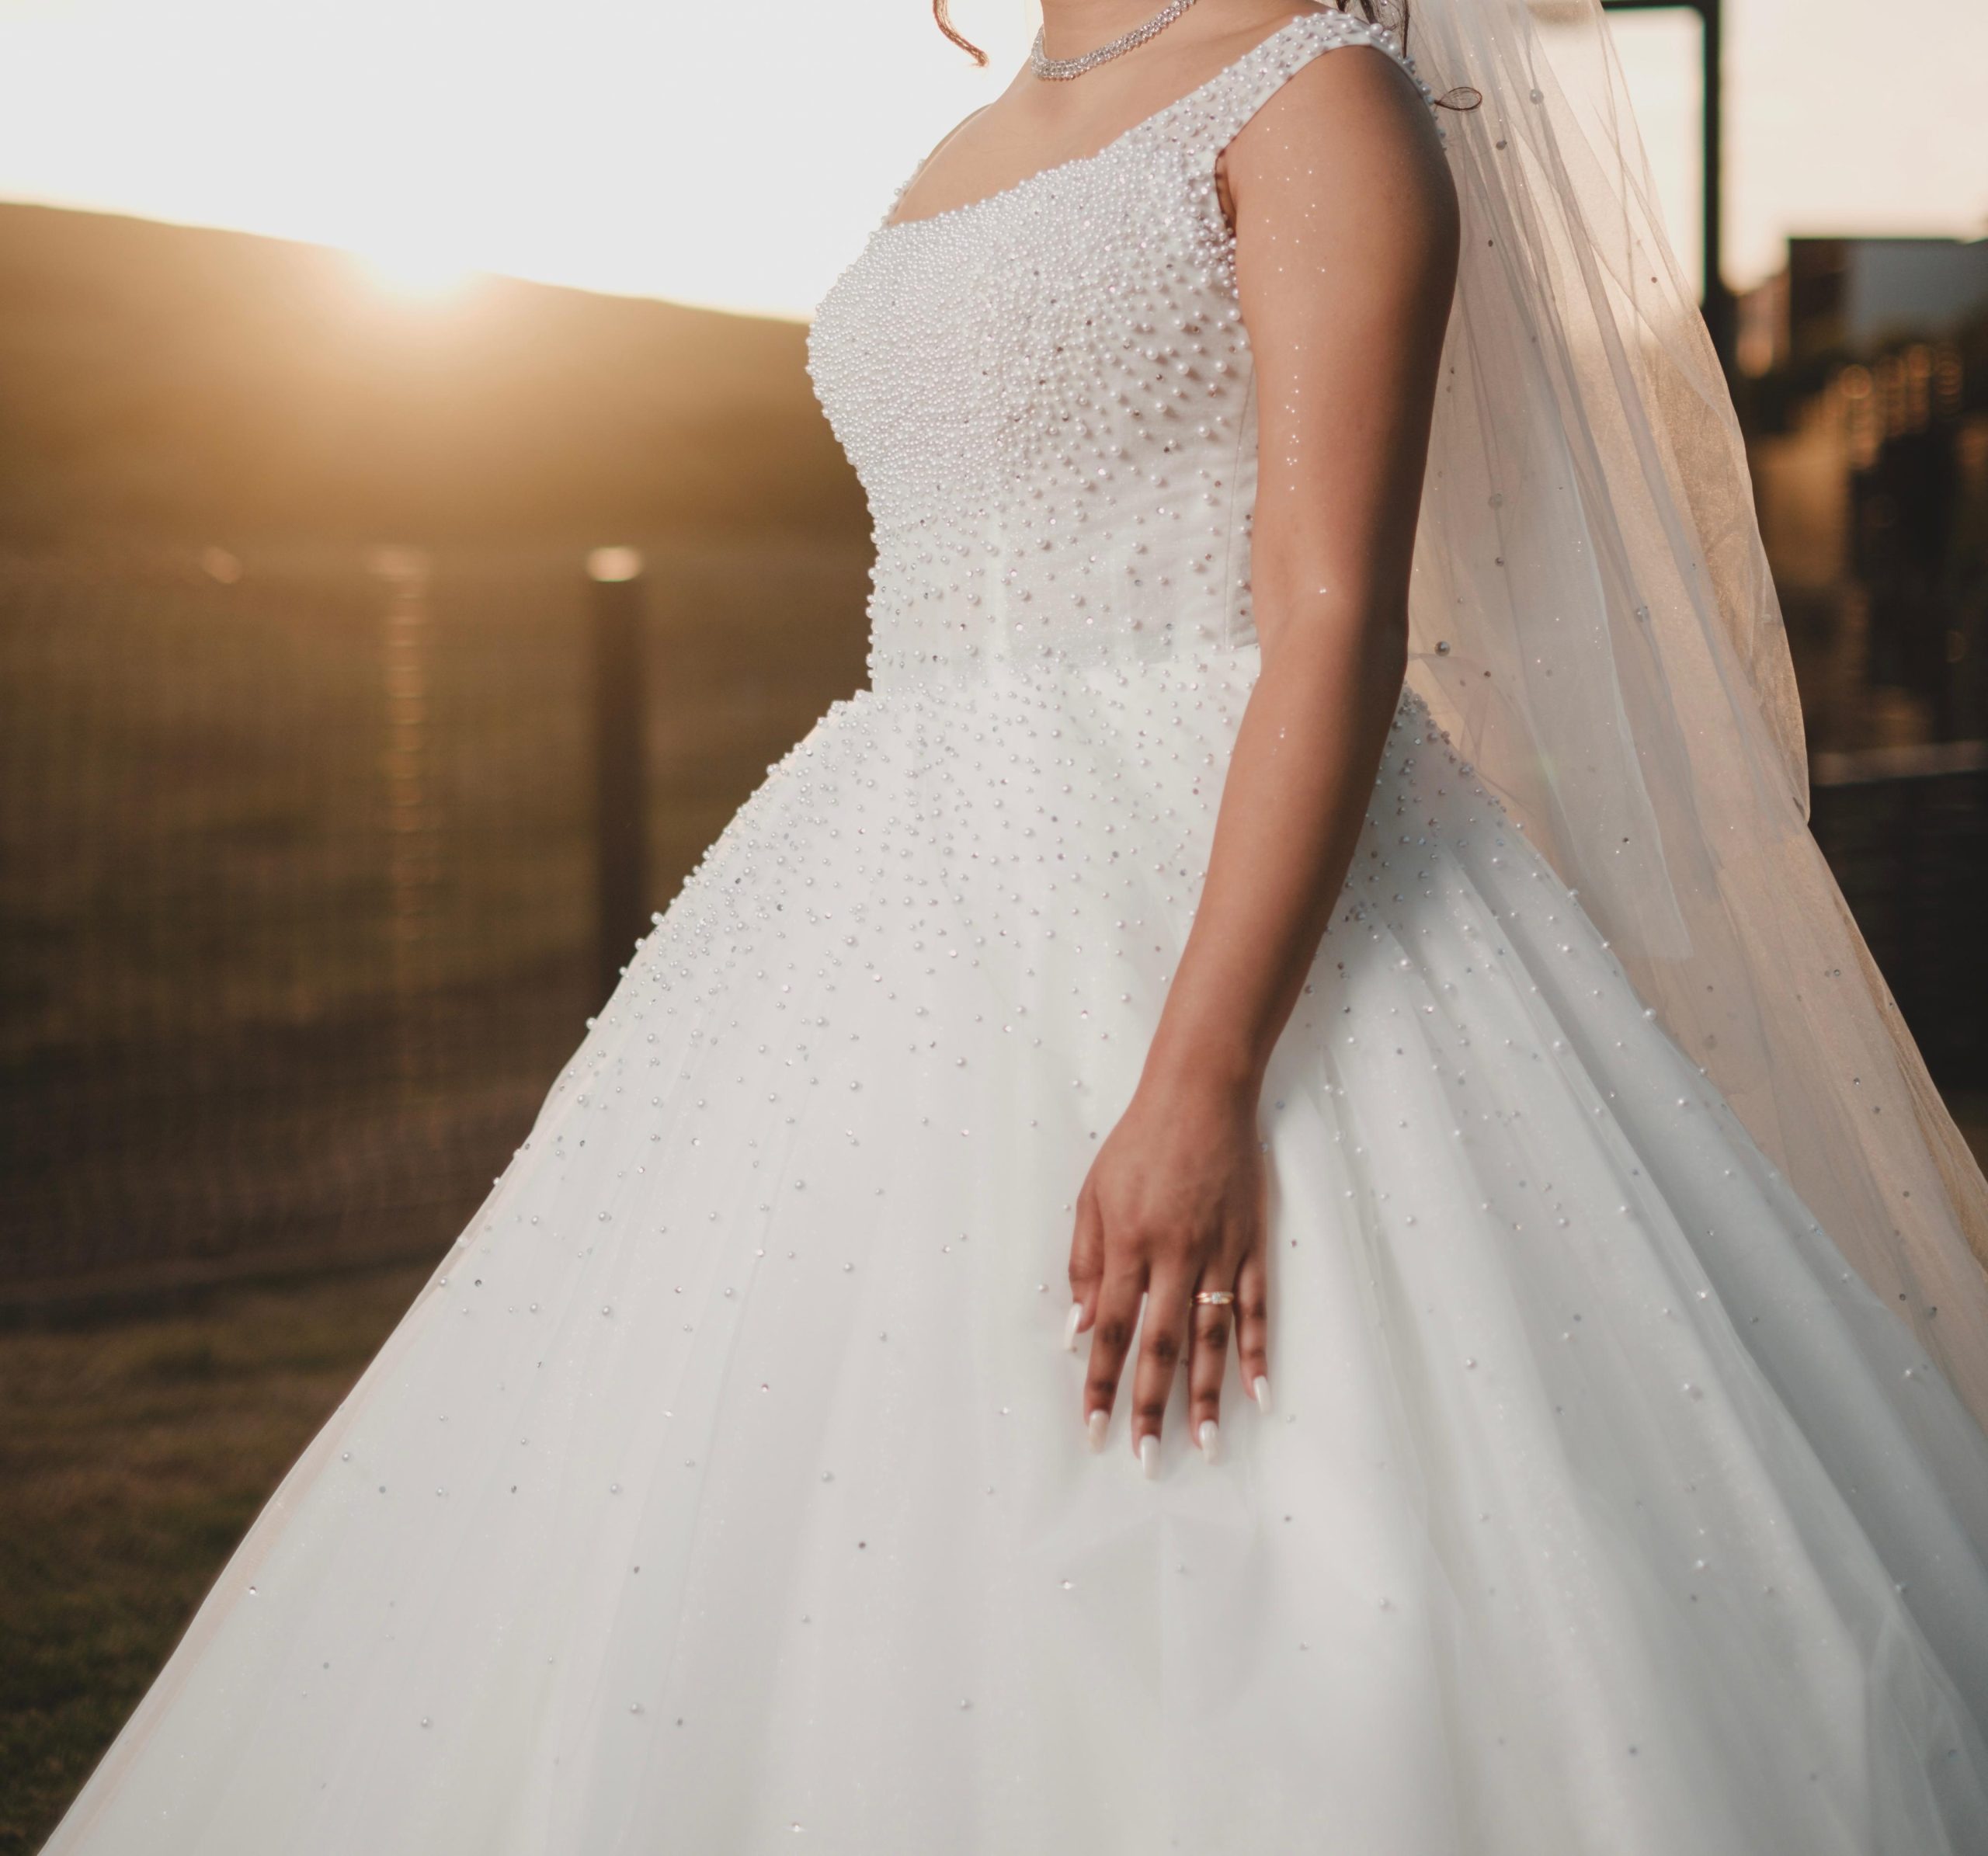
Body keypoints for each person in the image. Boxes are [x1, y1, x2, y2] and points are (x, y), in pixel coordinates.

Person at [42, 2, 1988, 1850]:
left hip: (1198, 873)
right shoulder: (977, 134)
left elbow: (1330, 618)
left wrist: (1200, 1075)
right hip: (881, 876)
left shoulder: (1315, 94)